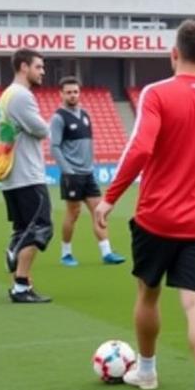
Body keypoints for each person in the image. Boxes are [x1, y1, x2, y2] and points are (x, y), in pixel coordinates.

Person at [94, 20, 195, 390]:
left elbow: (141, 148)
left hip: (154, 219)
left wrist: (110, 198)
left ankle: (146, 371)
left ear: (173, 52)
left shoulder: (156, 94)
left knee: (148, 293)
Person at [0, 47, 54, 304]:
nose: (42, 72)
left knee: (23, 227)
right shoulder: (21, 96)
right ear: (24, 67)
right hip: (26, 174)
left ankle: (21, 278)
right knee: (40, 228)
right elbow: (41, 129)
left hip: (12, 174)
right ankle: (19, 284)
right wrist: (43, 127)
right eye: (38, 66)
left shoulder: (6, 96)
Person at [49, 76, 125, 267]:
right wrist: (68, 171)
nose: (73, 95)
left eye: (75, 91)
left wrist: (91, 164)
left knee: (99, 211)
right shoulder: (59, 117)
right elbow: (54, 147)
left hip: (88, 173)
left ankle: (107, 252)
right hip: (72, 174)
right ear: (61, 94)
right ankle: (66, 253)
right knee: (73, 213)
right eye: (68, 92)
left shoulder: (85, 114)